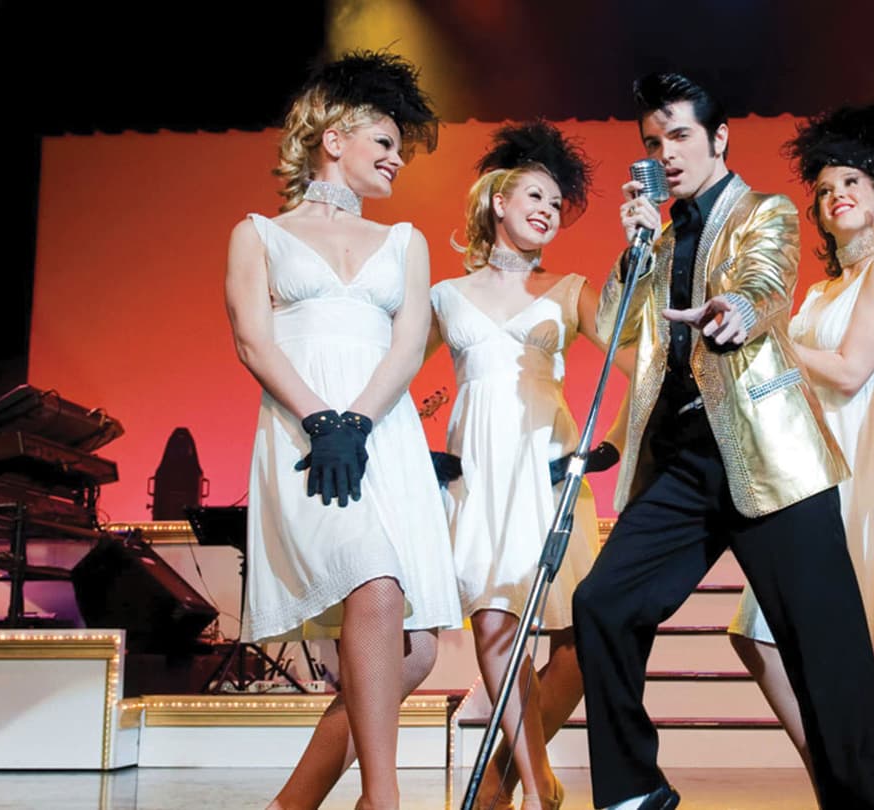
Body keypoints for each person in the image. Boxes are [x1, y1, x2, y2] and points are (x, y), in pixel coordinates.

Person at [572, 72, 874, 810]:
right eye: (655, 143)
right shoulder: (656, 234)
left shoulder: (768, 211)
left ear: (719, 138)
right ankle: (635, 791)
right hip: (685, 465)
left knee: (829, 658)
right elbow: (618, 329)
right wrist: (632, 254)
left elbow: (767, 280)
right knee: (602, 603)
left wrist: (739, 310)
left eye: (682, 136)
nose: (669, 153)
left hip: (770, 459)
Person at [223, 51, 460, 810]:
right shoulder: (258, 233)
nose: (396, 160)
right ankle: (384, 802)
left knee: (413, 654)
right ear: (335, 136)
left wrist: (356, 419)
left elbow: (405, 344)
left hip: (382, 437)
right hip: (307, 442)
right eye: (384, 143)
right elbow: (254, 341)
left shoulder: (406, 242)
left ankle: (290, 805)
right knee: (376, 580)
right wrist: (322, 421)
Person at [426, 121, 619, 810]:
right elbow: (395, 381)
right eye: (534, 195)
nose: (546, 210)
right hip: (477, 470)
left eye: (555, 203)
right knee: (494, 623)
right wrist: (413, 451)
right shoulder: (444, 296)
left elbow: (640, 358)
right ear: (497, 202)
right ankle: (538, 788)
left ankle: (517, 784)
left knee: (576, 631)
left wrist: (613, 443)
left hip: (548, 466)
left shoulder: (569, 288)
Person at [725, 105, 874, 787]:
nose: (836, 196)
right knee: (759, 636)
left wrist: (767, 337)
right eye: (827, 189)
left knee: (813, 636)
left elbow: (848, 369)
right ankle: (837, 778)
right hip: (804, 454)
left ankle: (847, 781)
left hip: (853, 447)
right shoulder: (822, 286)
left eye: (852, 185)